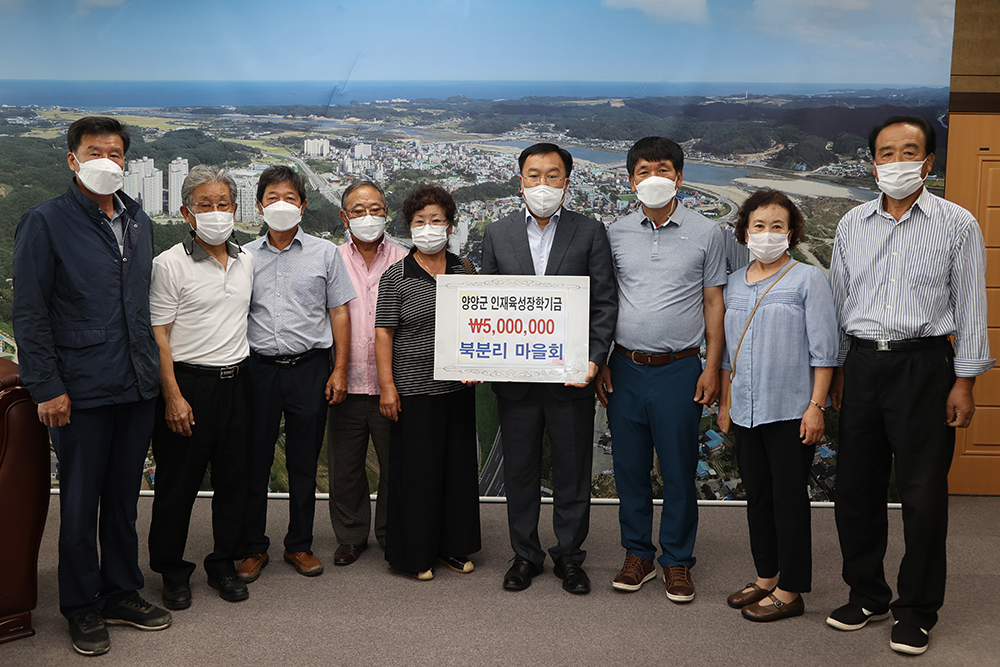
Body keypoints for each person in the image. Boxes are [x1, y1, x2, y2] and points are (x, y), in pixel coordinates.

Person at [827, 115, 993, 656]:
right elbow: (837, 303)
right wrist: (835, 373)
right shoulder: (852, 223)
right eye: (885, 153)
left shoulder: (957, 223)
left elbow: (971, 306)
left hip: (924, 367)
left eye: (908, 152)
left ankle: (917, 608)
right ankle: (867, 593)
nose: (895, 162)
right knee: (855, 489)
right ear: (872, 162)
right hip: (861, 365)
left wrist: (964, 382)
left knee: (922, 495)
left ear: (928, 161)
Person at [12, 116, 171, 656]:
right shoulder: (45, 221)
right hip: (78, 386)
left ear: (127, 160)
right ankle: (81, 604)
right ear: (72, 159)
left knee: (124, 498)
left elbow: (139, 302)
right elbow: (30, 315)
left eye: (116, 152)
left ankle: (122, 592)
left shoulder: (138, 219)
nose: (107, 160)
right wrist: (46, 386)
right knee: (80, 501)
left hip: (134, 381)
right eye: (94, 150)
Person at [481, 143, 618, 595]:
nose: (543, 185)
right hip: (516, 381)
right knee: (519, 472)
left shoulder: (590, 231)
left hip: (571, 377)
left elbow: (603, 303)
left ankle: (570, 557)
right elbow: (485, 306)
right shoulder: (497, 233)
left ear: (567, 181)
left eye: (553, 176)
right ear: (520, 180)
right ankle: (525, 555)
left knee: (572, 471)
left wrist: (595, 361)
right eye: (534, 175)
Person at [596, 136, 726, 603]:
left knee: (678, 469)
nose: (655, 179)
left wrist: (712, 367)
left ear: (680, 177)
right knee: (630, 469)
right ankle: (638, 554)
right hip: (625, 367)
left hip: (680, 368)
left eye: (664, 170)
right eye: (644, 171)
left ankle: (676, 560)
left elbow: (715, 302)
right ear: (631, 180)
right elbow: (605, 301)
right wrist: (602, 360)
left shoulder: (708, 233)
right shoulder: (614, 232)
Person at [716, 189, 838, 622]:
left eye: (777, 226)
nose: (767, 234)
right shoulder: (733, 282)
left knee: (788, 499)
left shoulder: (808, 279)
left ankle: (791, 589)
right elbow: (730, 353)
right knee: (758, 496)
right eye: (759, 226)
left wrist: (816, 406)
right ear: (745, 231)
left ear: (791, 232)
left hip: (790, 408)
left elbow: (825, 351)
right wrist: (726, 404)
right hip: (746, 408)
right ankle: (766, 576)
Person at [238, 165, 356, 582]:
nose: (281, 205)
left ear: (303, 206)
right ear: (259, 206)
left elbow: (339, 313)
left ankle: (299, 544)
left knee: (304, 462)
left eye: (290, 198)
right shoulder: (244, 257)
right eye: (272, 198)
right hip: (259, 370)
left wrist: (339, 370)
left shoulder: (326, 253)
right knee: (255, 460)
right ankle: (253, 546)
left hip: (309, 368)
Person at [147, 166, 254, 609]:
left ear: (235, 208)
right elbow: (159, 336)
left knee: (234, 483)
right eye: (205, 205)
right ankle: (172, 571)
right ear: (186, 213)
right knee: (178, 484)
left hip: (238, 382)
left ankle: (223, 565)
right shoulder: (169, 264)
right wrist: (172, 396)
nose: (215, 213)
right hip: (189, 384)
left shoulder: (247, 259)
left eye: (223, 204)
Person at [375, 184, 481, 580]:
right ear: (409, 227)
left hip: (457, 389)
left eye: (437, 221)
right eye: (420, 222)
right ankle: (415, 554)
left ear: (450, 226)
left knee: (457, 472)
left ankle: (454, 547)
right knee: (417, 475)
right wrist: (388, 387)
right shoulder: (396, 275)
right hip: (414, 390)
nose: (429, 228)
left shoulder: (465, 269)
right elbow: (383, 332)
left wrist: (478, 363)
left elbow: (480, 326)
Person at [328, 181, 407, 565]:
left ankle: (394, 534)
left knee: (396, 467)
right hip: (345, 381)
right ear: (344, 217)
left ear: (387, 213)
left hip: (393, 385)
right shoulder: (331, 259)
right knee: (345, 468)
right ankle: (350, 536)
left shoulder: (406, 260)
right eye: (358, 211)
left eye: (375, 209)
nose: (367, 217)